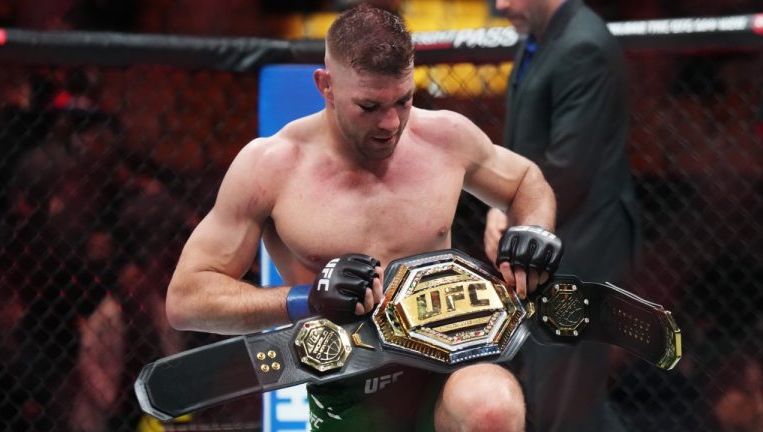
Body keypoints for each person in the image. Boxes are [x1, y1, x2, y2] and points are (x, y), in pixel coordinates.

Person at [165, 4, 563, 431]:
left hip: (450, 357)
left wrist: (533, 228)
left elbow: (526, 181)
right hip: (349, 385)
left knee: (492, 406)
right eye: (369, 106)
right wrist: (305, 298)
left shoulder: (445, 137)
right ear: (327, 86)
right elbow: (187, 299)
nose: (391, 123)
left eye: (403, 100)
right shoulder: (270, 167)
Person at [485, 0, 641, 431]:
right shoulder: (540, 36)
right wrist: (500, 205)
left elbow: (571, 167)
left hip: (583, 246)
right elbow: (523, 146)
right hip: (552, 241)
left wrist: (512, 211)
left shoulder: (582, 45)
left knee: (564, 405)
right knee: (561, 400)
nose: (500, 5)